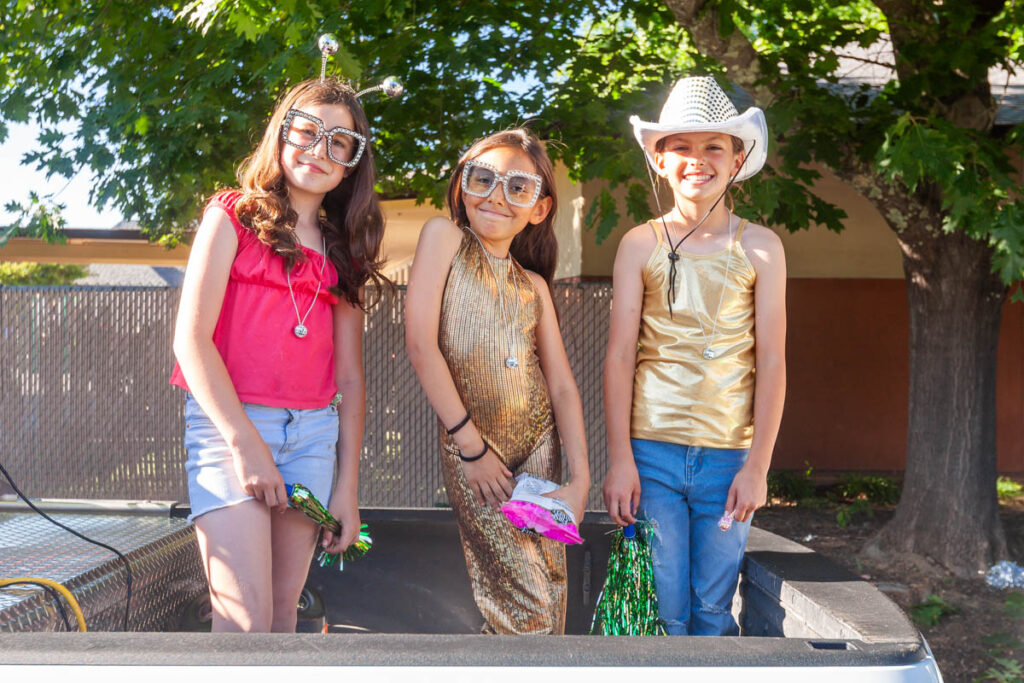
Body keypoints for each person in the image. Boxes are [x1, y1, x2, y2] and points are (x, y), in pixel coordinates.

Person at [170, 77, 389, 632]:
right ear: (282, 133)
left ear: (351, 163)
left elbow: (350, 379)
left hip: (312, 437)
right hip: (231, 431)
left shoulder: (344, 250)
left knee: (280, 621)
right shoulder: (233, 216)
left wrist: (347, 489)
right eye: (307, 131)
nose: (319, 150)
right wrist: (245, 443)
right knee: (244, 623)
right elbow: (191, 341)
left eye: (339, 142)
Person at [602, 76, 787, 636]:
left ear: (737, 159)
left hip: (728, 458)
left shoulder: (761, 247)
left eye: (713, 147)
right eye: (680, 146)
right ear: (660, 160)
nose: (697, 159)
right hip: (650, 454)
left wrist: (757, 468)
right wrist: (620, 459)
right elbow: (620, 356)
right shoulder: (640, 244)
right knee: (663, 606)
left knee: (712, 604)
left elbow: (772, 362)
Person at [405, 129, 591, 634]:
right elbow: (421, 345)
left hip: (539, 449)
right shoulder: (444, 238)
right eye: (482, 178)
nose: (496, 195)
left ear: (539, 208)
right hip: (475, 450)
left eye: (518, 187)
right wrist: (470, 448)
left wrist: (580, 481)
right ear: (462, 185)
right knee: (525, 606)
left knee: (550, 591)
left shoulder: (534, 286)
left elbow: (562, 387)